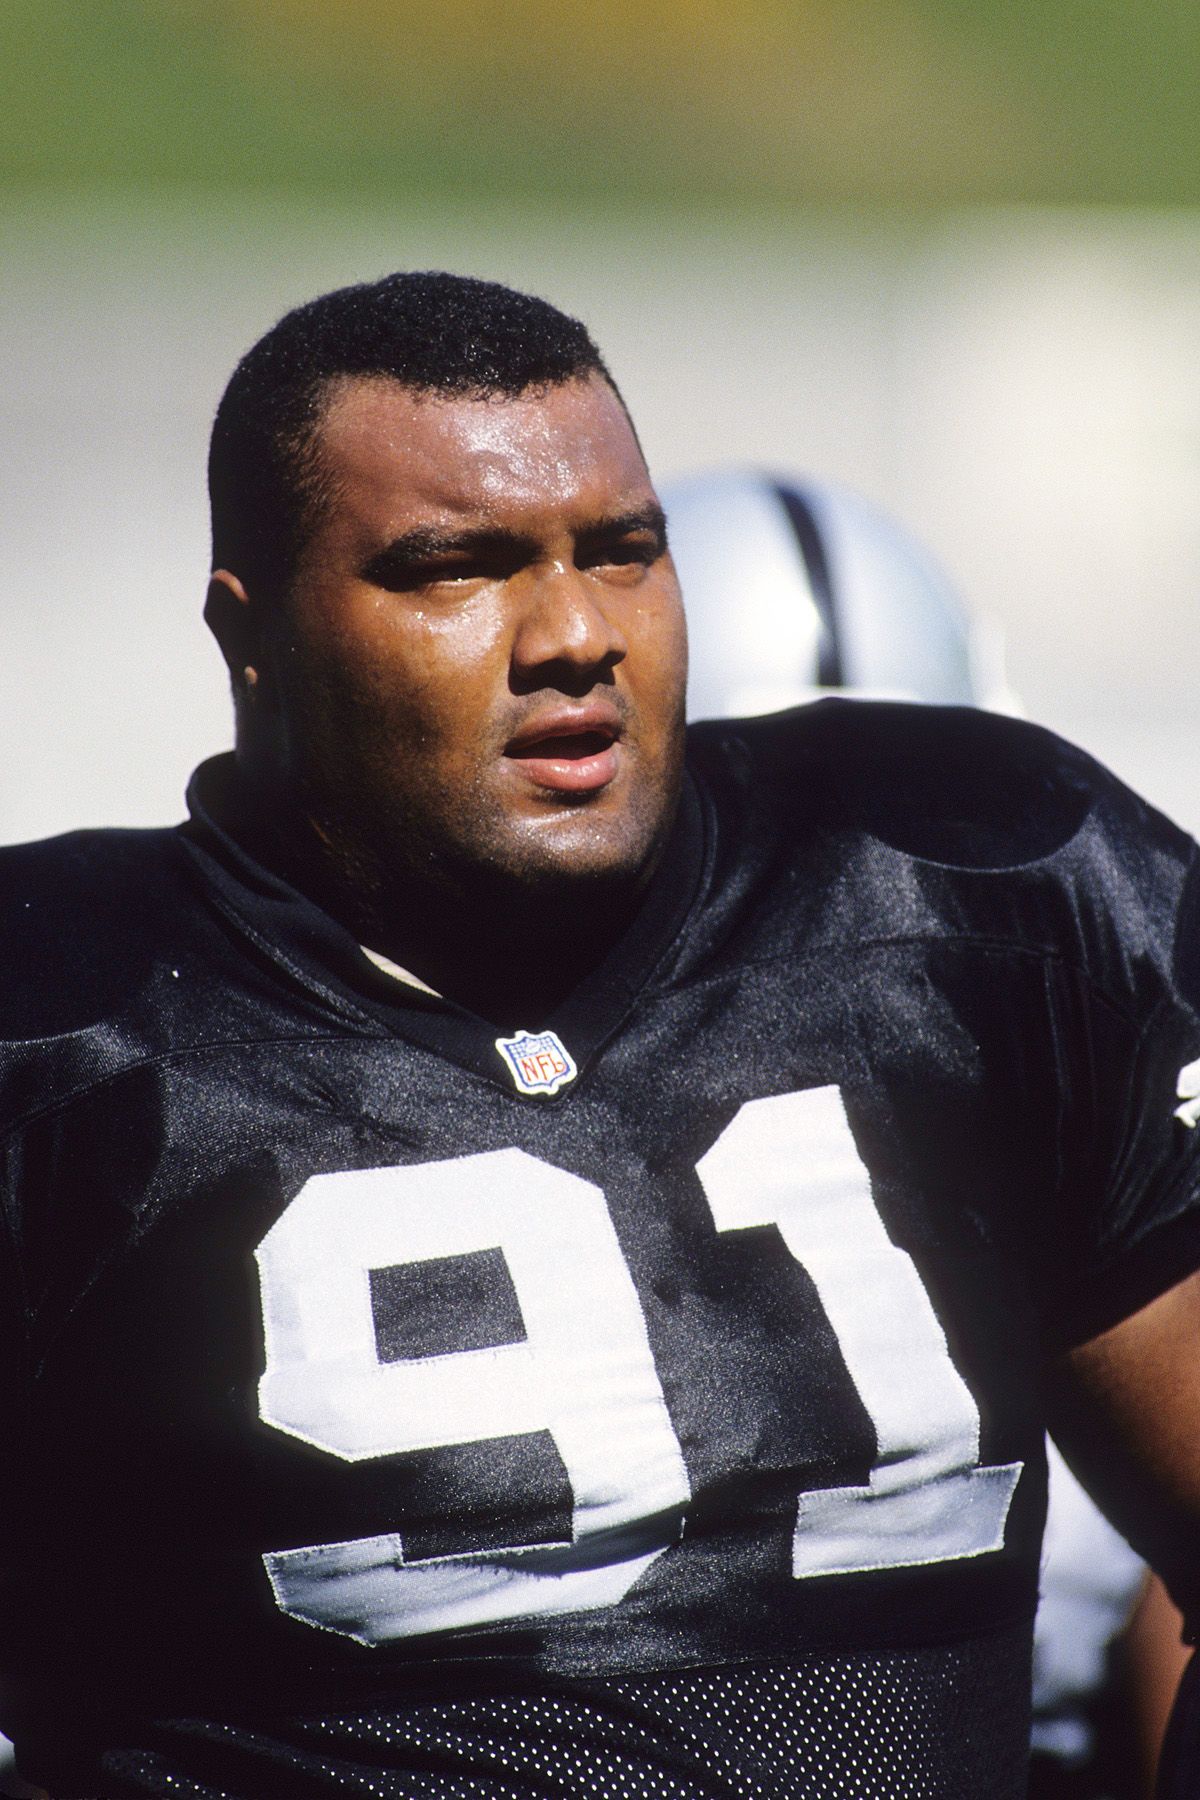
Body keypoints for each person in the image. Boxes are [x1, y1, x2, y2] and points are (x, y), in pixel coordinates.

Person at [2, 272, 1199, 1800]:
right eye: (458, 569)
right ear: (254, 635)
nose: (574, 633)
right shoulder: (60, 1034)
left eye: (624, 553)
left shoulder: (990, 901)